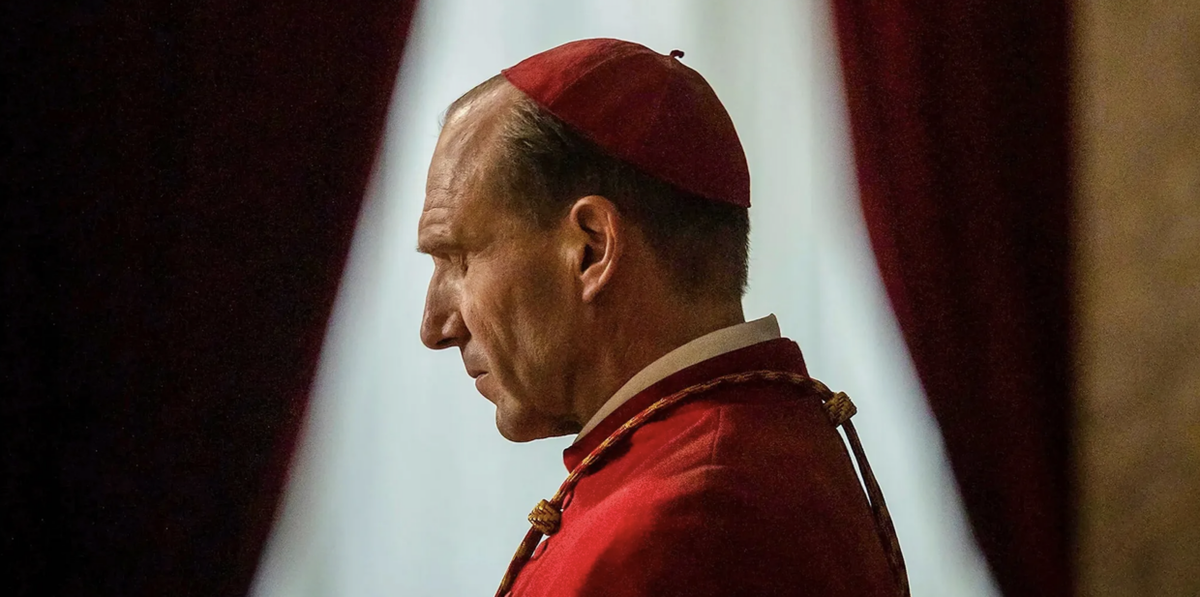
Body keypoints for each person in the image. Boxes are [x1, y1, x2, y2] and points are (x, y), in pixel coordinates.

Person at [417, 38, 905, 597]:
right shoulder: (740, 448)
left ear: (591, 249)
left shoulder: (686, 525)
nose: (434, 327)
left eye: (458, 259)